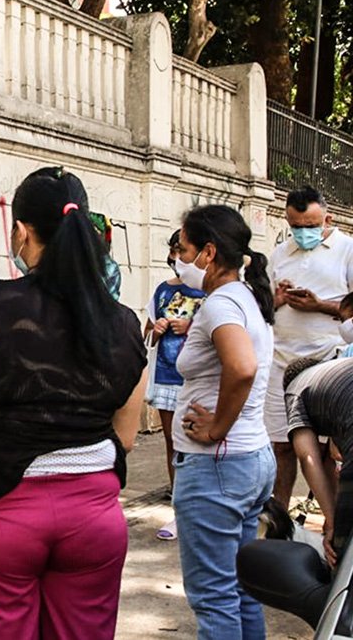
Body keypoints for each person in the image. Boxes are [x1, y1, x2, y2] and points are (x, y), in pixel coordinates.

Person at [0, 167, 147, 639]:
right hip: (94, 516)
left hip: (0, 515)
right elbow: (125, 435)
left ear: (22, 231)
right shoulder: (124, 323)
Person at [171, 205, 276, 639]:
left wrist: (218, 427)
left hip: (218, 465)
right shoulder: (245, 297)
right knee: (240, 590)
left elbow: (243, 367)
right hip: (246, 461)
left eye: (184, 248)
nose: (178, 257)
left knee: (215, 599)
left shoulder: (221, 303)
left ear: (208, 252)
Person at [266, 187, 353, 510]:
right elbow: (264, 307)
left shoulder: (347, 250)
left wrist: (319, 305)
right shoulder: (280, 254)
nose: (303, 232)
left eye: (310, 225)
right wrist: (276, 300)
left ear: (327, 218)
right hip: (280, 366)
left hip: (328, 368)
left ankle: (336, 522)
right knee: (281, 448)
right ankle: (278, 520)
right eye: (296, 226)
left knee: (327, 454)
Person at [144, 229, 205, 541]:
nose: (178, 258)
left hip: (198, 381)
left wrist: (190, 326)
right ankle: (178, 505)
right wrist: (158, 329)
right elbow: (147, 337)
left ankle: (198, 507)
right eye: (175, 251)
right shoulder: (162, 292)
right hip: (167, 377)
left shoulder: (210, 292)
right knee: (173, 443)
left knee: (198, 443)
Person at [283, 357, 353, 568]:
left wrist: (332, 522)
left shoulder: (295, 389)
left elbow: (308, 457)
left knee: (341, 545)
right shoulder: (338, 372)